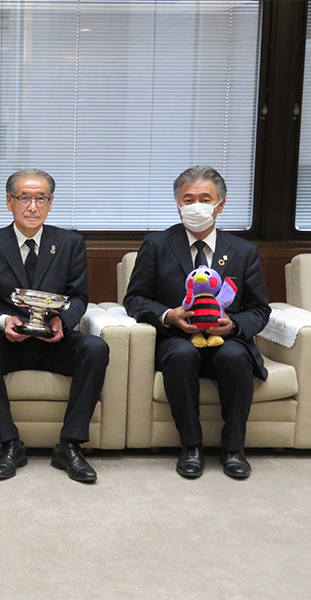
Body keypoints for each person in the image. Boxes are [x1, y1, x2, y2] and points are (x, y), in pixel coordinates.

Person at [123, 166, 270, 479]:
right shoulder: (157, 245)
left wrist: (233, 325)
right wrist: (169, 315)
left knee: (235, 355)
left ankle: (233, 449)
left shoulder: (243, 251)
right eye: (188, 199)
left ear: (221, 204)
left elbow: (259, 309)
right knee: (181, 353)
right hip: (176, 340)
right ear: (178, 204)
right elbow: (134, 299)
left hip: (227, 340)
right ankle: (191, 447)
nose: (196, 206)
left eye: (205, 199)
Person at [0, 168, 109, 482]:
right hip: (7, 342)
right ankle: (9, 444)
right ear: (9, 201)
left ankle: (69, 446)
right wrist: (4, 322)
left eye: (41, 198)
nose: (33, 207)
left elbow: (79, 297)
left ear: (50, 202)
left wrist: (62, 321)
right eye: (24, 198)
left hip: (54, 342)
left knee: (95, 348)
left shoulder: (70, 243)